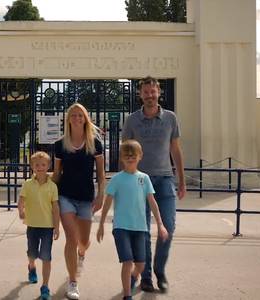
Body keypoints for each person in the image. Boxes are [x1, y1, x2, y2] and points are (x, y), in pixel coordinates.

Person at [122, 76, 187, 292]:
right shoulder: (132, 120)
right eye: (146, 92)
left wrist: (182, 180)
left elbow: (175, 149)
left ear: (159, 93)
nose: (150, 95)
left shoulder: (170, 118)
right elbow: (125, 152)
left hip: (165, 179)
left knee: (167, 226)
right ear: (140, 94)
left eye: (153, 92)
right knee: (142, 231)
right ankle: (147, 277)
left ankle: (160, 270)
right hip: (139, 181)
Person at [96, 140, 168, 300]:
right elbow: (107, 202)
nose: (130, 158)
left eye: (133, 155)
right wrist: (101, 224)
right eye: (127, 156)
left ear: (140, 156)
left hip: (140, 228)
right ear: (121, 158)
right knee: (127, 262)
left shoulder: (144, 178)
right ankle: (127, 295)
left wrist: (161, 225)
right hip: (121, 227)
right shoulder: (117, 179)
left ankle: (133, 278)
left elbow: (152, 202)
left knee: (141, 265)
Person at [52, 103, 105, 300]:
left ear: (85, 119)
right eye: (73, 115)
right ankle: (72, 282)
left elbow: (101, 175)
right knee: (71, 239)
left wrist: (101, 195)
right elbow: (57, 174)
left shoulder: (95, 144)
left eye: (80, 115)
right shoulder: (60, 144)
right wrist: (42, 187)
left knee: (83, 241)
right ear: (68, 119)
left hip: (86, 198)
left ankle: (81, 254)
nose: (76, 118)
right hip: (65, 196)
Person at [18, 151, 60, 300]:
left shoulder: (52, 186)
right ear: (32, 167)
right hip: (32, 225)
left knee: (46, 256)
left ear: (48, 166)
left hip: (47, 227)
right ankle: (31, 266)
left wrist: (57, 226)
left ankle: (45, 287)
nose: (40, 167)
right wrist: (21, 211)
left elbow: (55, 208)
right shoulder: (27, 184)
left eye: (43, 165)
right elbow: (21, 199)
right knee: (32, 253)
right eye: (37, 165)